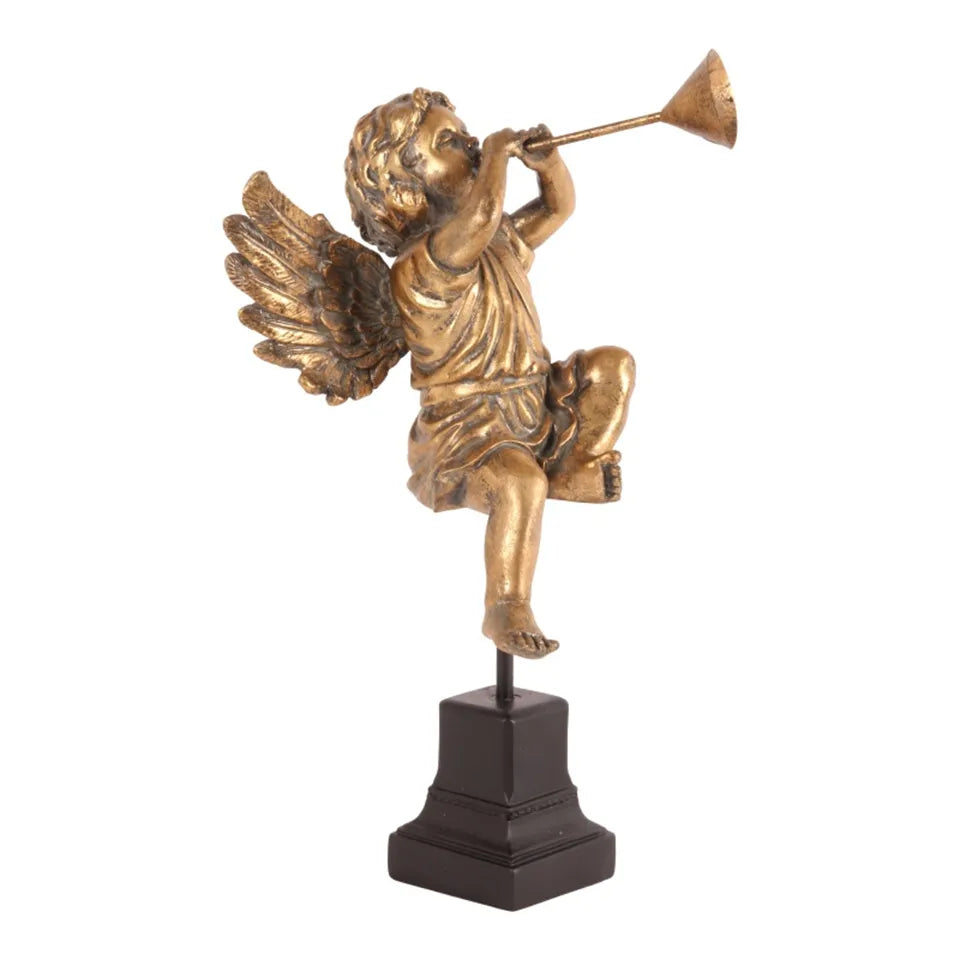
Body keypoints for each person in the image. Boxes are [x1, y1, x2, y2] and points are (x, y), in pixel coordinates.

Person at [345, 89, 635, 658]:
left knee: (613, 367)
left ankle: (569, 469)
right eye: (449, 142)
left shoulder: (498, 237)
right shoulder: (420, 265)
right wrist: (500, 156)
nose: (474, 144)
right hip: (468, 430)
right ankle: (506, 603)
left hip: (532, 401)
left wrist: (549, 167)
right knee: (519, 484)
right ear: (407, 186)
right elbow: (478, 219)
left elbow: (558, 209)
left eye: (468, 135)